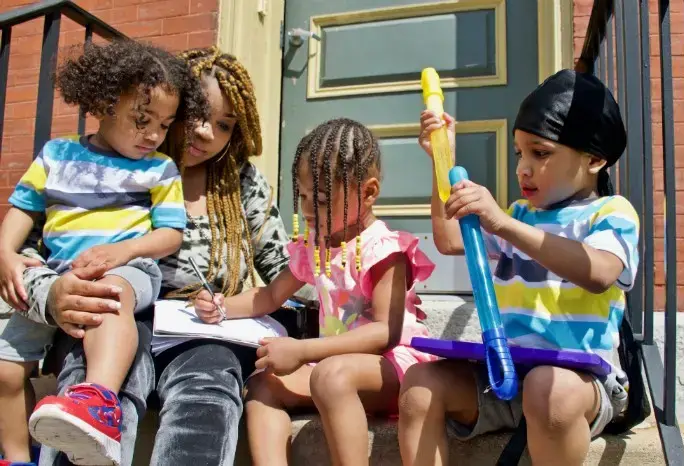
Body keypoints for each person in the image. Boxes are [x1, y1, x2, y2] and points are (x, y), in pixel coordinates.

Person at [2, 46, 293, 466]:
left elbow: (286, 269)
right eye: (197, 117)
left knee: (208, 386)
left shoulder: (240, 182)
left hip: (202, 328)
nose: (207, 133)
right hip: (104, 315)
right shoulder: (112, 163)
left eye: (225, 125)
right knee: (91, 374)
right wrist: (53, 295)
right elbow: (29, 246)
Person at [398, 69, 639, 466]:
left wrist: (506, 225)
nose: (522, 168)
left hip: (581, 384)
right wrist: (441, 162)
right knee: (421, 382)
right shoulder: (520, 214)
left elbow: (600, 272)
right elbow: (450, 240)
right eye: (519, 153)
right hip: (508, 374)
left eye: (540, 153)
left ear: (595, 158)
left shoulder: (610, 213)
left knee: (550, 389)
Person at [0, 40, 208, 466]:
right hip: (55, 273)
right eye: (142, 119)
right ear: (103, 103)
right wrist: (4, 254)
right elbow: (23, 210)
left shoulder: (159, 169)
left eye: (165, 124)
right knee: (5, 370)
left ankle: (98, 401)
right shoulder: (57, 154)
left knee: (110, 298)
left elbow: (170, 234)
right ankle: (17, 457)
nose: (153, 134)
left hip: (131, 268)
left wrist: (123, 251)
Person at [194, 117, 437, 466]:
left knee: (330, 375)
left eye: (321, 199)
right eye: (303, 196)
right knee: (263, 385)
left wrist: (303, 349)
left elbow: (386, 332)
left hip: (395, 370)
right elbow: (270, 296)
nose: (307, 208)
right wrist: (220, 307)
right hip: (334, 369)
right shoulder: (315, 245)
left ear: (368, 193)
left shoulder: (386, 250)